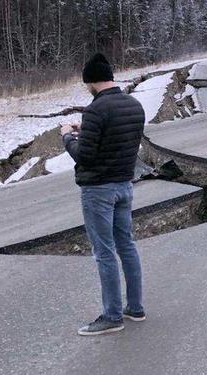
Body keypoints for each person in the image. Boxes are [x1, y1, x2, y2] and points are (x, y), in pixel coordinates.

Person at [59, 53, 146, 336]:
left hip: (98, 191)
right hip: (124, 185)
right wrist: (86, 128)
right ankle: (135, 307)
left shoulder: (95, 111)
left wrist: (68, 137)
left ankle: (111, 316)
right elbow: (116, 137)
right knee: (127, 246)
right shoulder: (134, 106)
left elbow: (84, 156)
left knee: (104, 252)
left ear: (91, 81)